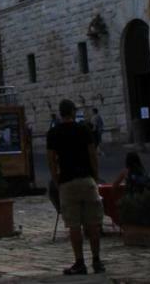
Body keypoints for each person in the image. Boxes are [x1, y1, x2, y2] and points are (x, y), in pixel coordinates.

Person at [48, 98, 104, 276]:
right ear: (72, 112)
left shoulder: (54, 133)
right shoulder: (84, 129)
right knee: (93, 223)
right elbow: (92, 155)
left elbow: (51, 161)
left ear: (60, 113)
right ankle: (97, 261)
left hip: (67, 182)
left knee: (74, 225)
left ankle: (80, 262)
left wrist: (57, 181)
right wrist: (95, 176)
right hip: (86, 179)